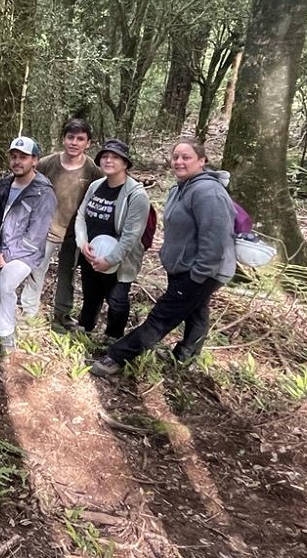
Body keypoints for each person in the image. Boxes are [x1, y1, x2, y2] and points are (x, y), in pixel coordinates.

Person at [90, 139, 236, 377]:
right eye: (175, 157)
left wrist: (198, 274)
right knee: (197, 311)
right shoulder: (180, 187)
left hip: (201, 271)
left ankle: (117, 356)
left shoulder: (208, 192)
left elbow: (216, 238)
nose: (179, 162)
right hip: (183, 267)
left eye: (186, 157)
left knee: (161, 317)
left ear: (202, 161)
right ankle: (186, 356)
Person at [0, 136, 56, 352]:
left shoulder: (43, 192)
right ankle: (4, 329)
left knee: (5, 285)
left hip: (24, 255)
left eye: (23, 157)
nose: (17, 161)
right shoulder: (3, 185)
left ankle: (7, 343)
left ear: (34, 160)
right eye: (14, 157)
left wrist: (8, 256)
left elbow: (36, 234)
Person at [20, 118, 100, 332]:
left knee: (67, 275)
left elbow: (100, 194)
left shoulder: (92, 169)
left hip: (74, 233)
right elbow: (27, 186)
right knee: (36, 269)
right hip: (44, 229)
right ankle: (28, 313)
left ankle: (61, 316)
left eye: (80, 139)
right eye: (70, 137)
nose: (74, 142)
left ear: (88, 143)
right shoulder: (48, 163)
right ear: (63, 139)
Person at [74, 139, 150, 339]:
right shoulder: (96, 186)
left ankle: (113, 336)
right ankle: (85, 327)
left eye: (115, 157)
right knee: (91, 294)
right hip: (91, 253)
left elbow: (132, 235)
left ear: (125, 163)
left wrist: (110, 260)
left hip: (119, 259)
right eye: (105, 156)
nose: (109, 160)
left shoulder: (136, 195)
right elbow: (81, 215)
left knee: (116, 300)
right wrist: (82, 244)